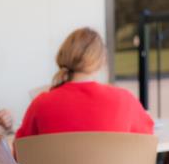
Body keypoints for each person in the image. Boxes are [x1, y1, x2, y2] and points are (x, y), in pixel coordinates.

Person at [16, 27, 153, 139]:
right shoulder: (125, 100)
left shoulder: (41, 104)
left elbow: (20, 151)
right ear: (102, 60)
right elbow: (147, 140)